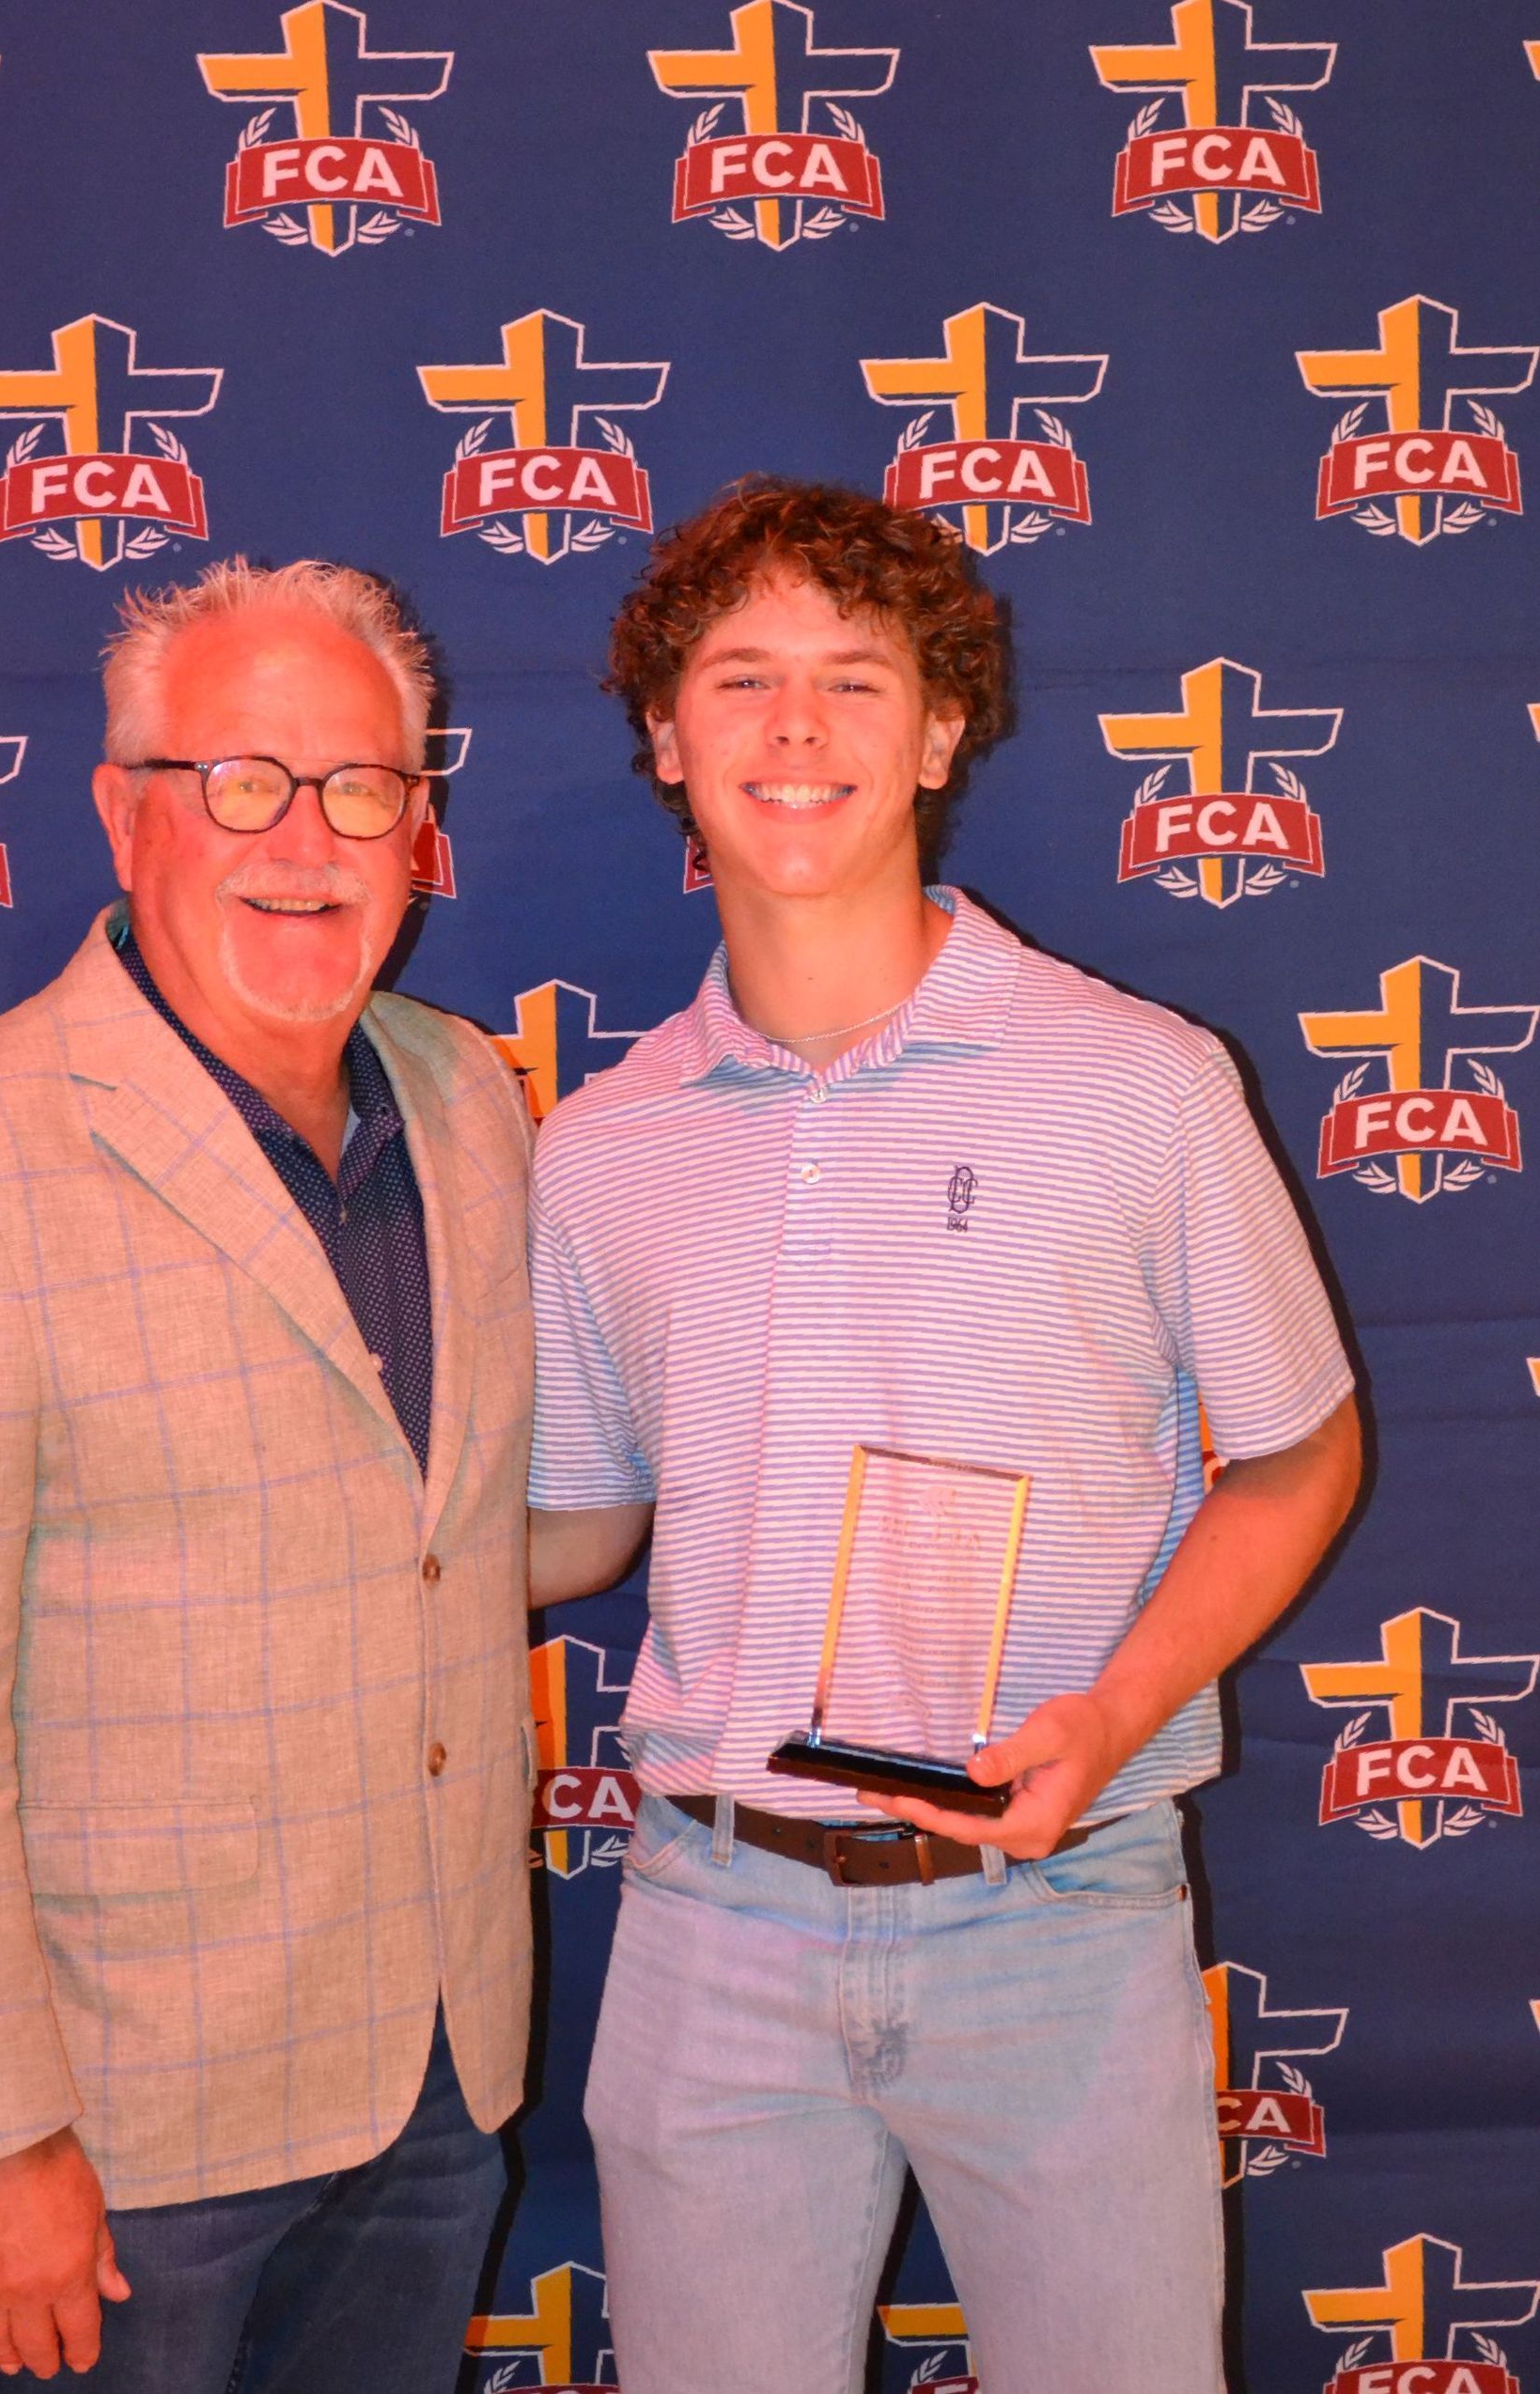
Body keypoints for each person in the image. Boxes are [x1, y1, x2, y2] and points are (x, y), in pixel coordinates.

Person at [526, 480, 1361, 2394]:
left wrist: (1116, 1712)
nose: (795, 727)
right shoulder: (599, 1147)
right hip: (713, 1920)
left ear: (938, 729)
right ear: (666, 737)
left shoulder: (1139, 1083)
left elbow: (1298, 1456)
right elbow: (574, 1526)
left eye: (854, 677)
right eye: (739, 677)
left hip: (1058, 1911)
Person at [0, 560, 537, 2393]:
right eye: (242, 782)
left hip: (433, 2081)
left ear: (418, 827)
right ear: (125, 816)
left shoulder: (469, 1103)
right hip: (117, 2138)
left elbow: (471, 1526)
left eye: (362, 785)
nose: (308, 839)